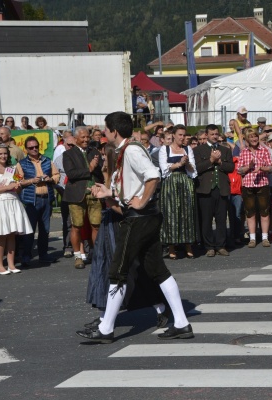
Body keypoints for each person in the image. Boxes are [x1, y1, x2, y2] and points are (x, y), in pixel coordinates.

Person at [76, 111, 194, 343]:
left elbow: (153, 176)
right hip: (146, 216)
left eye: (106, 130)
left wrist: (140, 201)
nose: (103, 133)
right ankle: (181, 322)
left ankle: (106, 328)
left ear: (115, 131)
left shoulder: (130, 150)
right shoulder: (128, 149)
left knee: (117, 271)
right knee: (157, 270)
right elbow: (135, 185)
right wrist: (110, 192)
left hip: (138, 218)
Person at [0, 144, 33, 274]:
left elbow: (18, 186)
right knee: (1, 234)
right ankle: (0, 266)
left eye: (5, 153)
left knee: (11, 234)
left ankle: (11, 264)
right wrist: (7, 187)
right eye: (0, 154)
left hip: (12, 202)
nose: (3, 156)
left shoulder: (11, 169)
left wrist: (18, 187)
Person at [62, 126, 104, 269]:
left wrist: (99, 170)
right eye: (83, 137)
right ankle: (78, 256)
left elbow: (102, 172)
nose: (86, 140)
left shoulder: (94, 152)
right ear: (75, 139)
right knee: (76, 226)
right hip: (77, 195)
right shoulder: (68, 154)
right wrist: (90, 169)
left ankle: (96, 254)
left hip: (94, 193)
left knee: (96, 225)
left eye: (88, 137)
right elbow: (72, 174)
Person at [15, 136, 60, 267]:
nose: (34, 149)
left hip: (46, 199)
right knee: (29, 230)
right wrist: (31, 181)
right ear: (26, 149)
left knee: (45, 229)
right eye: (31, 148)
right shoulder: (21, 164)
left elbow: (57, 175)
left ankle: (43, 254)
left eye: (36, 147)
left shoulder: (47, 160)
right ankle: (26, 256)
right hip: (31, 201)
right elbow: (17, 181)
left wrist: (50, 179)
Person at [193, 124, 234, 257]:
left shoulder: (225, 149)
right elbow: (197, 168)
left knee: (221, 218)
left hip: (221, 187)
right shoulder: (199, 150)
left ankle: (221, 245)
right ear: (207, 135)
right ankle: (209, 246)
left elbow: (231, 167)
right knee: (206, 219)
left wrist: (220, 162)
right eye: (212, 134)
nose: (215, 136)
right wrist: (211, 160)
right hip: (205, 188)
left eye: (216, 134)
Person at [159, 125, 198, 260]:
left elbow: (193, 171)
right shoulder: (165, 149)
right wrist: (179, 163)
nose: (182, 137)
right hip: (170, 184)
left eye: (184, 135)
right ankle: (171, 247)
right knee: (171, 214)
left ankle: (188, 245)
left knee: (187, 213)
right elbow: (164, 169)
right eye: (180, 135)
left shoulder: (187, 149)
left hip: (185, 183)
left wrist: (186, 164)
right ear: (174, 135)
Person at [236, 128, 272, 248]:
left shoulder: (264, 150)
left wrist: (262, 168)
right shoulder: (244, 152)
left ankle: (264, 237)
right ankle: (252, 238)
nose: (253, 139)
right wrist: (249, 166)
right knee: (250, 212)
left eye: (255, 136)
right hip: (248, 184)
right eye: (251, 137)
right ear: (247, 139)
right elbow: (239, 170)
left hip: (262, 183)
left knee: (264, 211)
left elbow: (271, 168)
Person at [53, 130, 75, 257]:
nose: (70, 147)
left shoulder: (79, 158)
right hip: (65, 193)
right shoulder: (59, 160)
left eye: (73, 145)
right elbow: (55, 178)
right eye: (68, 145)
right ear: (64, 145)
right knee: (67, 221)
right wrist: (61, 191)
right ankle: (67, 246)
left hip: (78, 193)